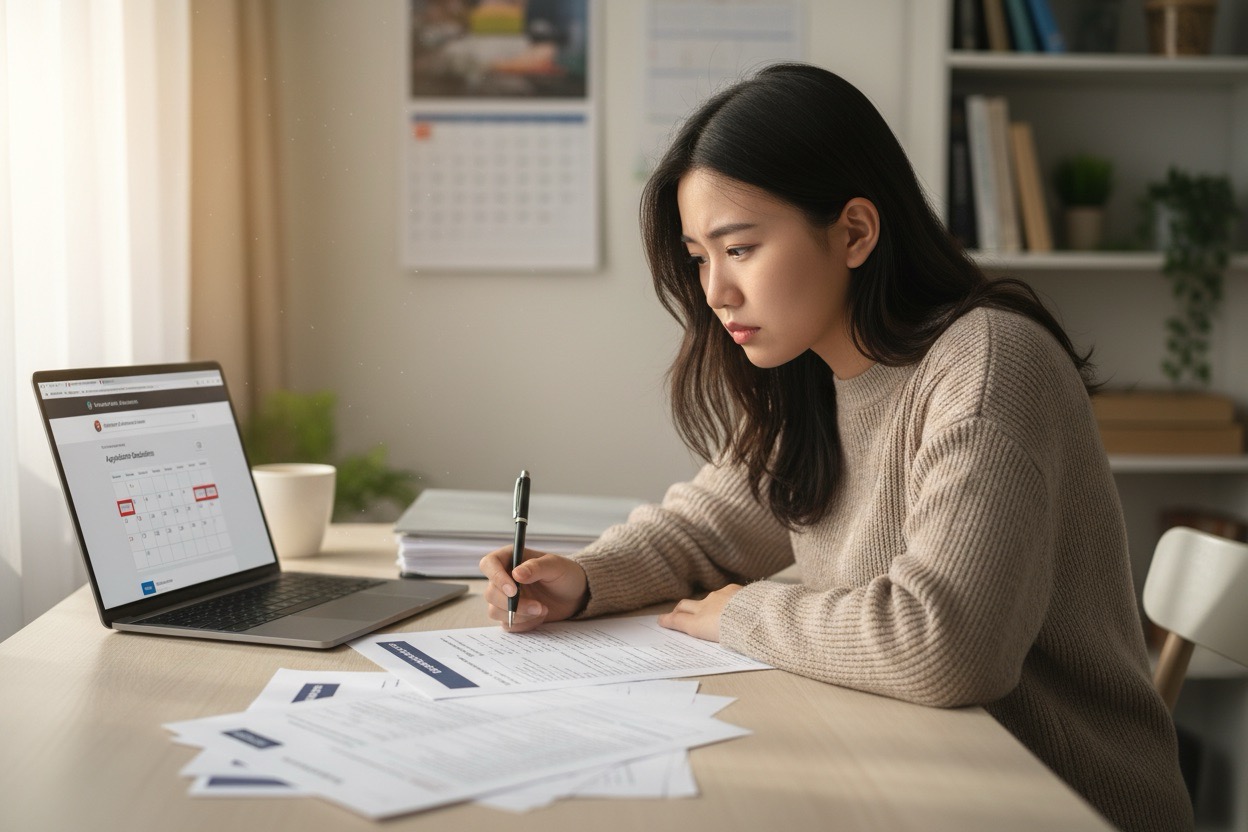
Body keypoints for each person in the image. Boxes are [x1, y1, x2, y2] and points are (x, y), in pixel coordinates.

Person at [478, 63, 1193, 832]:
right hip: (918, 778)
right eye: (698, 257)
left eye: (740, 248)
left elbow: (947, 644)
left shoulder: (987, 366)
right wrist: (583, 578)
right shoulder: (814, 372)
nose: (714, 291)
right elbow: (705, 528)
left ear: (854, 231)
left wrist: (746, 615)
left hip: (1057, 801)